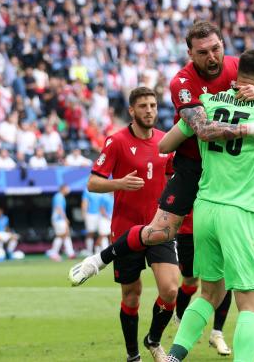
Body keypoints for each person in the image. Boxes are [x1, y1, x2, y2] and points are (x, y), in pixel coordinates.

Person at [70, 21, 254, 306]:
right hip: (193, 164)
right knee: (160, 232)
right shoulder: (181, 83)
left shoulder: (235, 68)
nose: (212, 57)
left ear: (223, 46)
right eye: (203, 52)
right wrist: (248, 130)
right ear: (190, 54)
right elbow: (202, 130)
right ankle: (99, 259)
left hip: (232, 164)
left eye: (216, 48)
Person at [161, 48, 254, 362]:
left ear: (236, 75)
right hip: (241, 213)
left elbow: (164, 145)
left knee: (210, 292)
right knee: (251, 303)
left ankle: (175, 356)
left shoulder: (207, 103)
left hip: (205, 210)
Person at [71, 87, 180, 362]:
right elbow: (92, 182)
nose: (149, 111)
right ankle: (133, 355)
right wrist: (119, 183)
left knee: (170, 290)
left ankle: (154, 340)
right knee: (132, 295)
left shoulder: (165, 140)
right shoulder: (116, 141)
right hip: (126, 230)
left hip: (159, 227)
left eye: (153, 105)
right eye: (143, 106)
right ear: (131, 111)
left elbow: (171, 175)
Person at [46, 184, 74, 261]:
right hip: (59, 219)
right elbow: (59, 208)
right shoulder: (58, 196)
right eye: (67, 188)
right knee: (60, 235)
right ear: (63, 188)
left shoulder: (60, 196)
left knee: (65, 235)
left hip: (59, 219)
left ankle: (71, 253)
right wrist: (65, 219)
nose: (68, 190)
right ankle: (54, 253)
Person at [81, 187, 102, 256]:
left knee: (102, 233)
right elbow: (84, 202)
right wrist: (84, 213)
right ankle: (89, 251)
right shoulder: (87, 190)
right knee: (90, 233)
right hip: (90, 214)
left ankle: (98, 251)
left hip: (101, 215)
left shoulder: (101, 189)